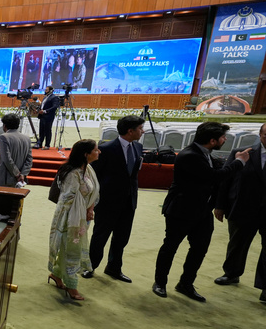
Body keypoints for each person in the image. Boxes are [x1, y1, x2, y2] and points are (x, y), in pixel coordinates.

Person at [153, 122, 249, 301]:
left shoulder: (206, 154)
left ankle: (186, 284)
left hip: (203, 212)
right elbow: (214, 177)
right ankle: (160, 283)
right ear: (212, 140)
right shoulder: (190, 155)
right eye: (222, 137)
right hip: (181, 211)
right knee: (170, 247)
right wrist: (239, 162)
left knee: (199, 249)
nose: (225, 140)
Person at [82, 115, 144, 282]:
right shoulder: (107, 148)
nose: (142, 131)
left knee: (122, 237)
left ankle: (114, 268)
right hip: (108, 202)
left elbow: (133, 175)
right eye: (139, 128)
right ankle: (90, 266)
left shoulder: (138, 147)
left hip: (129, 201)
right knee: (100, 236)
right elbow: (94, 176)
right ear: (130, 131)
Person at [213, 123, 266, 302]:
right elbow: (225, 180)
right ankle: (232, 274)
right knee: (237, 243)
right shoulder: (243, 152)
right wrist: (220, 205)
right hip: (243, 207)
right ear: (260, 135)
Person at [47, 140, 102, 302]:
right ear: (86, 154)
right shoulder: (73, 174)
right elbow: (67, 201)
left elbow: (94, 191)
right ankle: (72, 286)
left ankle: (56, 274)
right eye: (96, 150)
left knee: (68, 249)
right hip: (71, 219)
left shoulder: (88, 169)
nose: (99, 152)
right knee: (72, 250)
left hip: (82, 216)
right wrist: (82, 214)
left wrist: (89, 209)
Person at [0, 113, 33, 187]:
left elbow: (7, 159)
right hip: (19, 179)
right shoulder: (27, 138)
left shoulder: (3, 137)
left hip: (4, 177)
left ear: (4, 125)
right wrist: (22, 174)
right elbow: (29, 159)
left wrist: (17, 174)